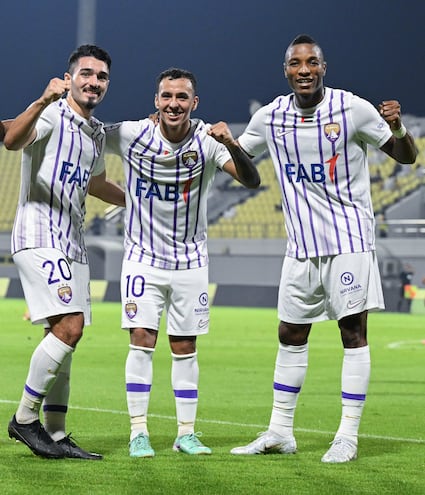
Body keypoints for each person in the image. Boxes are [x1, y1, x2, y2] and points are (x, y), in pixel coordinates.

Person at [230, 34, 417, 463]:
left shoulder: (352, 109)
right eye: (296, 63)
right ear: (286, 71)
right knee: (290, 334)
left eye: (312, 62)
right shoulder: (271, 116)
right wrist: (228, 145)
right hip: (300, 248)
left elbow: (405, 157)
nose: (304, 70)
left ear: (323, 68)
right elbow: (244, 168)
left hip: (348, 242)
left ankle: (347, 435)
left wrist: (398, 128)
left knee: (353, 334)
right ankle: (280, 431)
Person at [105, 67, 260, 457]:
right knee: (142, 340)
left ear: (194, 103)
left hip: (191, 261)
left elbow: (252, 181)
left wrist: (233, 144)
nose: (174, 104)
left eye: (182, 97)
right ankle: (138, 432)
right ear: (156, 101)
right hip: (142, 258)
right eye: (167, 97)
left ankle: (185, 433)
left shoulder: (208, 141)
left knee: (185, 346)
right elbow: (84, 131)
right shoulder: (130, 134)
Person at [4, 44, 125, 460]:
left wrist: (141, 199)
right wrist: (40, 100)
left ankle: (55, 435)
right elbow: (11, 140)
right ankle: (24, 420)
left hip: (72, 242)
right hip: (40, 235)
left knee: (63, 338)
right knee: (71, 326)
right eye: (87, 74)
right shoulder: (52, 112)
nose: (94, 82)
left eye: (102, 77)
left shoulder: (94, 134)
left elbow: (95, 184)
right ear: (70, 76)